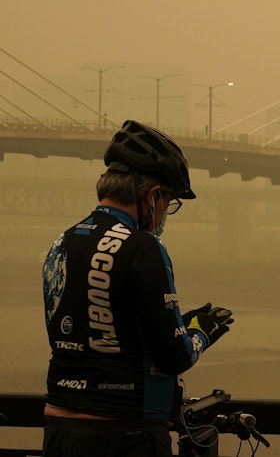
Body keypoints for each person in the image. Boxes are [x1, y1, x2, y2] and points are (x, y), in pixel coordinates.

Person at [41, 120, 234, 457]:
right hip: (125, 435)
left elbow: (97, 332)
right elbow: (175, 356)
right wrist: (202, 331)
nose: (164, 215)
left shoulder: (63, 242)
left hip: (59, 429)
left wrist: (176, 324)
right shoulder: (141, 246)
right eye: (169, 202)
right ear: (153, 195)